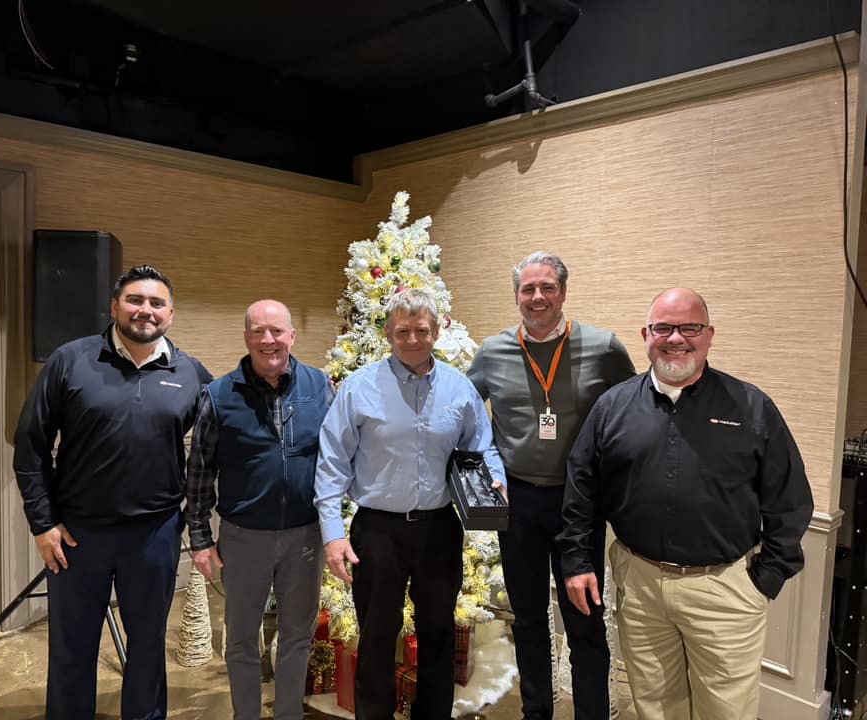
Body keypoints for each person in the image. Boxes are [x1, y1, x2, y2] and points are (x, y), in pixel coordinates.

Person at [560, 287, 814, 720]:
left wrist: (765, 579)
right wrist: (577, 561)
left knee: (726, 712)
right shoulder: (612, 407)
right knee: (655, 708)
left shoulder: (751, 407)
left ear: (709, 335)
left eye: (689, 328)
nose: (675, 338)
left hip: (725, 590)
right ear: (646, 334)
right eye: (663, 328)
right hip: (639, 586)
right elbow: (581, 491)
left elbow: (790, 500)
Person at [13, 264, 212, 720]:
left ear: (171, 314)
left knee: (147, 647)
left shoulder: (190, 373)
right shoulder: (70, 360)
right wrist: (43, 523)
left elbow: (221, 445)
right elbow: (31, 446)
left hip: (156, 535)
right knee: (72, 646)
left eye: (156, 303)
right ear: (114, 307)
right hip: (77, 536)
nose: (146, 310)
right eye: (135, 300)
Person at [315, 288, 506, 720]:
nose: (413, 339)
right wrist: (332, 534)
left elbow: (482, 447)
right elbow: (331, 463)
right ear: (388, 334)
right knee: (378, 637)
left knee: (438, 634)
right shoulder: (359, 388)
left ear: (437, 331)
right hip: (377, 533)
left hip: (439, 529)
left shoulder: (459, 389)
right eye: (403, 331)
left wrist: (495, 478)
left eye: (422, 330)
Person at [467, 251, 635, 720]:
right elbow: (462, 416)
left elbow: (632, 412)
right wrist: (486, 471)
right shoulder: (492, 350)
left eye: (547, 288)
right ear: (516, 295)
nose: (537, 297)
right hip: (516, 501)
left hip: (578, 504)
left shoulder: (604, 347)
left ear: (563, 291)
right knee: (527, 619)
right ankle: (536, 712)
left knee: (584, 619)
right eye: (528, 289)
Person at [185, 299, 331, 720]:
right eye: (257, 331)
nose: (268, 340)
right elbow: (199, 472)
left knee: (297, 637)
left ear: (292, 336)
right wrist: (199, 538)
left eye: (276, 331)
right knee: (242, 640)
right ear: (246, 337)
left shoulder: (321, 386)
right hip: (242, 536)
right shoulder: (218, 394)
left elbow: (338, 460)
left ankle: (289, 714)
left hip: (305, 536)